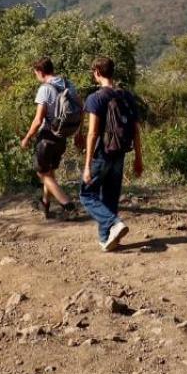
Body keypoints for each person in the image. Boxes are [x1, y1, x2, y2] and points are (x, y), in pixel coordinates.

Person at [80, 55, 144, 251]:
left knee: (87, 194)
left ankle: (114, 224)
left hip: (101, 154)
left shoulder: (96, 98)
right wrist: (139, 159)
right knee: (110, 195)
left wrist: (87, 165)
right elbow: (135, 130)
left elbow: (92, 134)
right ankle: (106, 239)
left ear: (97, 73)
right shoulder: (126, 96)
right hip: (120, 152)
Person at [18, 57, 82, 219]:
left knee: (43, 174)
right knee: (50, 172)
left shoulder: (44, 89)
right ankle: (45, 204)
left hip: (46, 137)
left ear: (40, 72)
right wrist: (79, 133)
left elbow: (38, 119)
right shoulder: (69, 85)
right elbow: (81, 109)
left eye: (35, 73)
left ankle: (68, 206)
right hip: (62, 136)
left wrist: (27, 138)